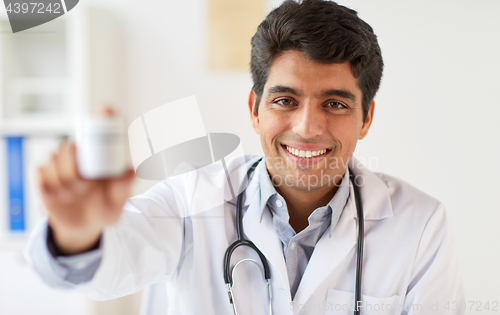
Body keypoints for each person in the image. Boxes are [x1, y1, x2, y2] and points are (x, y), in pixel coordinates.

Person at [25, 0, 465, 314]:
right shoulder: (189, 200)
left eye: (335, 103)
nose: (308, 127)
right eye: (285, 100)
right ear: (254, 109)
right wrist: (76, 233)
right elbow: (111, 264)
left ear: (366, 117)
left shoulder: (420, 225)